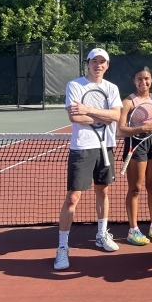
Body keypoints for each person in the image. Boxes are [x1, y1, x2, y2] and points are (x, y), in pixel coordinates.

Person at [55, 48, 122, 270]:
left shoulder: (112, 88)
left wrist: (89, 110)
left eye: (103, 62)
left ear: (107, 66)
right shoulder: (75, 85)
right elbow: (74, 116)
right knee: (73, 198)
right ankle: (62, 247)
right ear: (88, 63)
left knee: (103, 192)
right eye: (94, 61)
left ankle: (102, 234)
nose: (98, 65)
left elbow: (116, 116)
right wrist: (101, 115)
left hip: (105, 147)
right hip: (82, 148)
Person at [117, 67, 152, 246]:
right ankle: (133, 230)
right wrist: (140, 129)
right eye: (139, 79)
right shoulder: (128, 102)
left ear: (151, 80)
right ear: (134, 81)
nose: (143, 82)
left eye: (146, 79)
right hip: (135, 144)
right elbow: (120, 130)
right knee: (135, 188)